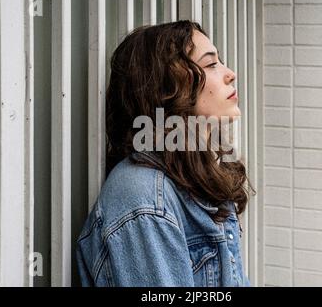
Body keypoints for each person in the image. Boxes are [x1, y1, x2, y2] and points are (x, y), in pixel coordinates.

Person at [76, 20, 255, 287]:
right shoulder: (143, 197)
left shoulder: (199, 176)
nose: (230, 74)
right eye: (211, 64)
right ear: (168, 88)